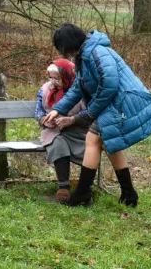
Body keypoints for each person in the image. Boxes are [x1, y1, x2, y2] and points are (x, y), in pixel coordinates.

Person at [43, 23, 151, 207]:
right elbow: (78, 88)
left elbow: (110, 85)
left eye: (62, 47)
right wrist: (58, 109)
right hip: (115, 103)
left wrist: (90, 112)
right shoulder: (84, 55)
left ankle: (83, 194)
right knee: (109, 142)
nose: (63, 51)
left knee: (92, 138)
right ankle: (129, 194)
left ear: (68, 43)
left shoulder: (96, 52)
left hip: (124, 102)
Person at [34, 58, 89, 203]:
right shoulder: (45, 89)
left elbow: (90, 113)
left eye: (57, 78)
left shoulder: (80, 89)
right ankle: (63, 186)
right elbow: (38, 109)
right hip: (53, 131)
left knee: (89, 149)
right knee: (58, 143)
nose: (53, 82)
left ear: (67, 76)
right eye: (50, 77)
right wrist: (43, 119)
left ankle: (85, 187)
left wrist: (71, 120)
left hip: (78, 131)